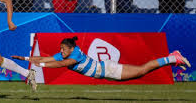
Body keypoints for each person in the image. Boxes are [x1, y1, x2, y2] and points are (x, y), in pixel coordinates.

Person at [12, 36, 191, 81]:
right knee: (141, 71)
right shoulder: (67, 52)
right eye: (61, 49)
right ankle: (171, 59)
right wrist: (26, 57)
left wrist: (40, 65)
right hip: (106, 71)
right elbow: (49, 58)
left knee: (142, 70)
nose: (61, 51)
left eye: (63, 49)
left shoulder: (73, 55)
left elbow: (60, 64)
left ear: (71, 48)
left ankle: (171, 58)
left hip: (108, 70)